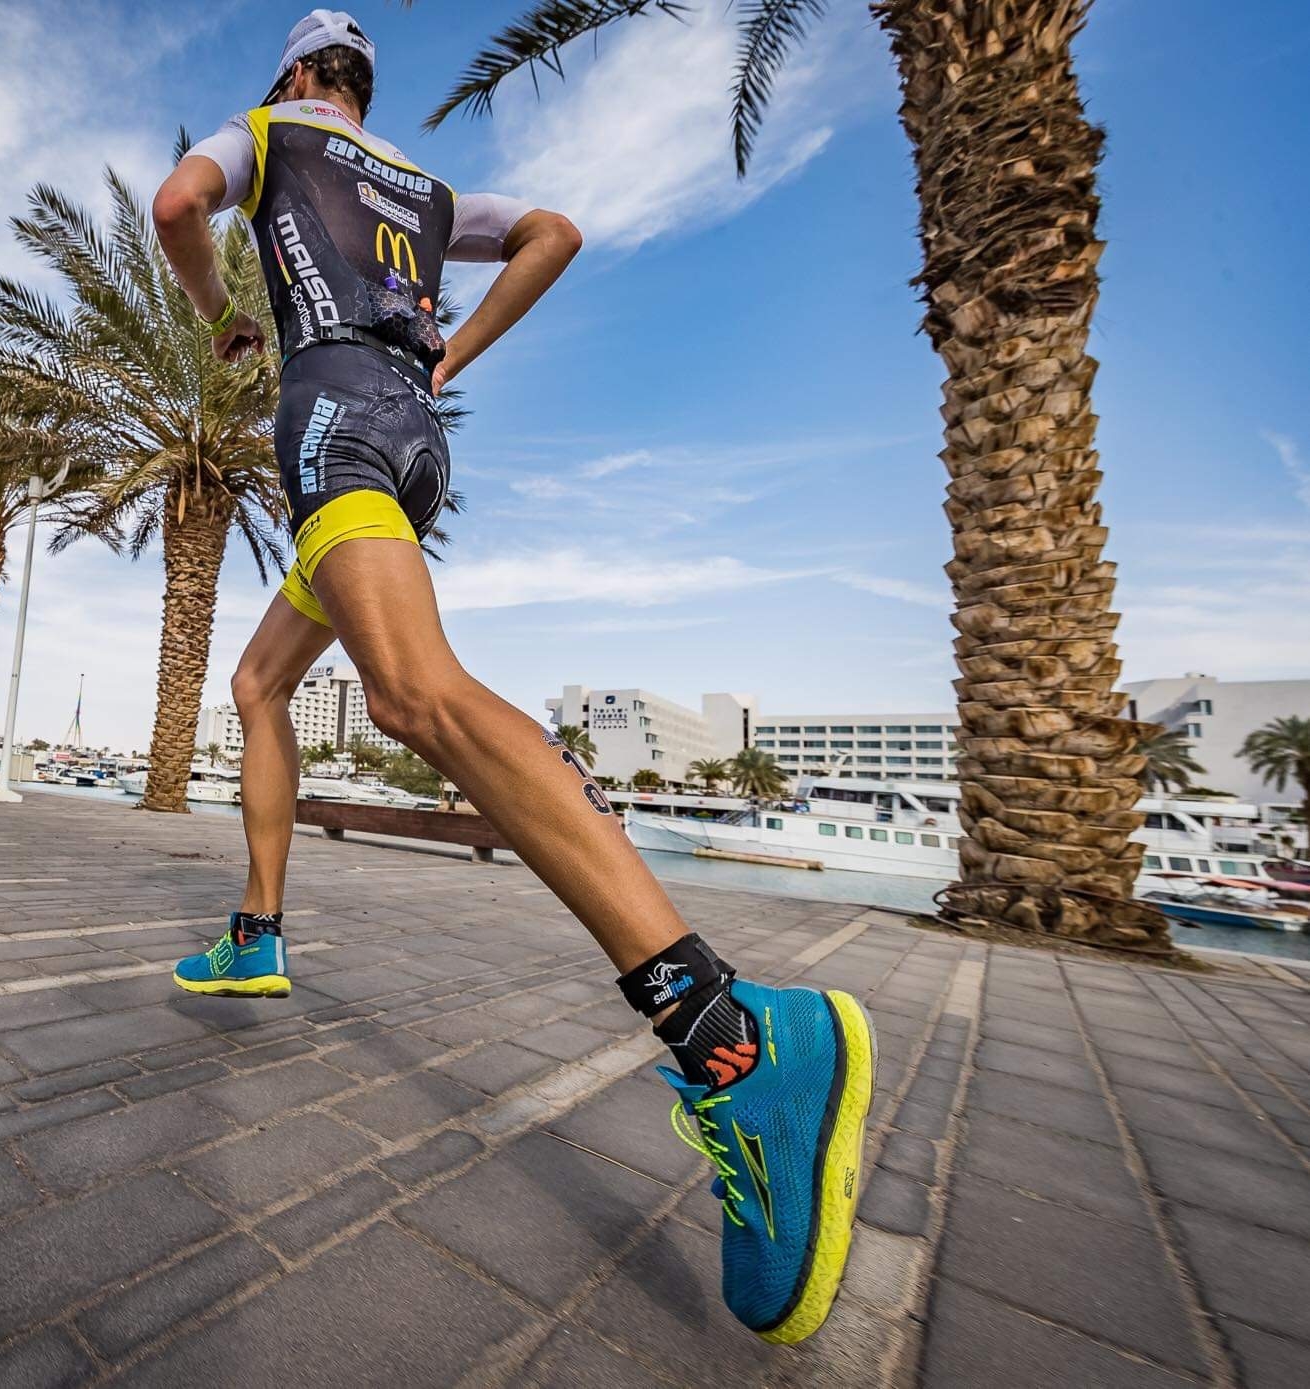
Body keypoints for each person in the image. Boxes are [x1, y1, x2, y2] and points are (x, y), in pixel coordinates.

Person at [151, 9, 875, 1346]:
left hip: (328, 418)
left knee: (414, 693)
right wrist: (450, 351)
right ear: (365, 84)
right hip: (413, 434)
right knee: (265, 683)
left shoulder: (262, 134)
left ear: (297, 79)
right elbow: (552, 232)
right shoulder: (424, 193)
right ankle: (254, 936)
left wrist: (221, 322)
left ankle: (725, 1026)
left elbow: (176, 203)